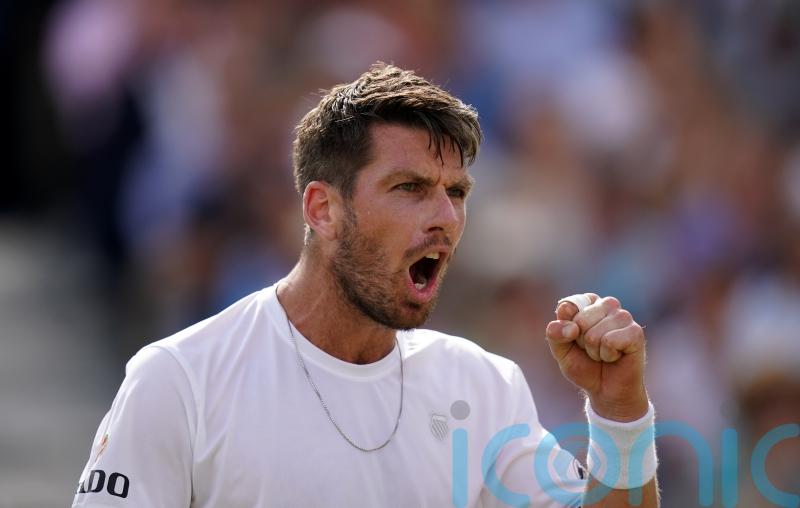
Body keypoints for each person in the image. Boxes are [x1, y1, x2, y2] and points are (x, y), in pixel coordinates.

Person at [72, 63, 660, 508]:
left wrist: (619, 409)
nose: (446, 219)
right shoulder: (180, 380)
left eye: (455, 193)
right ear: (322, 210)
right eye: (409, 188)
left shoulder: (483, 387)